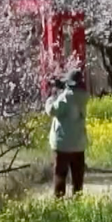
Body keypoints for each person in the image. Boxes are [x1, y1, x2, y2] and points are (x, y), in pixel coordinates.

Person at [46, 68, 88, 198]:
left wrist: (51, 98)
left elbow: (52, 110)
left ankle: (59, 202)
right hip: (79, 143)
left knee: (60, 175)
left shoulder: (65, 97)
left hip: (63, 143)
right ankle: (78, 200)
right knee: (77, 177)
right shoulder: (84, 96)